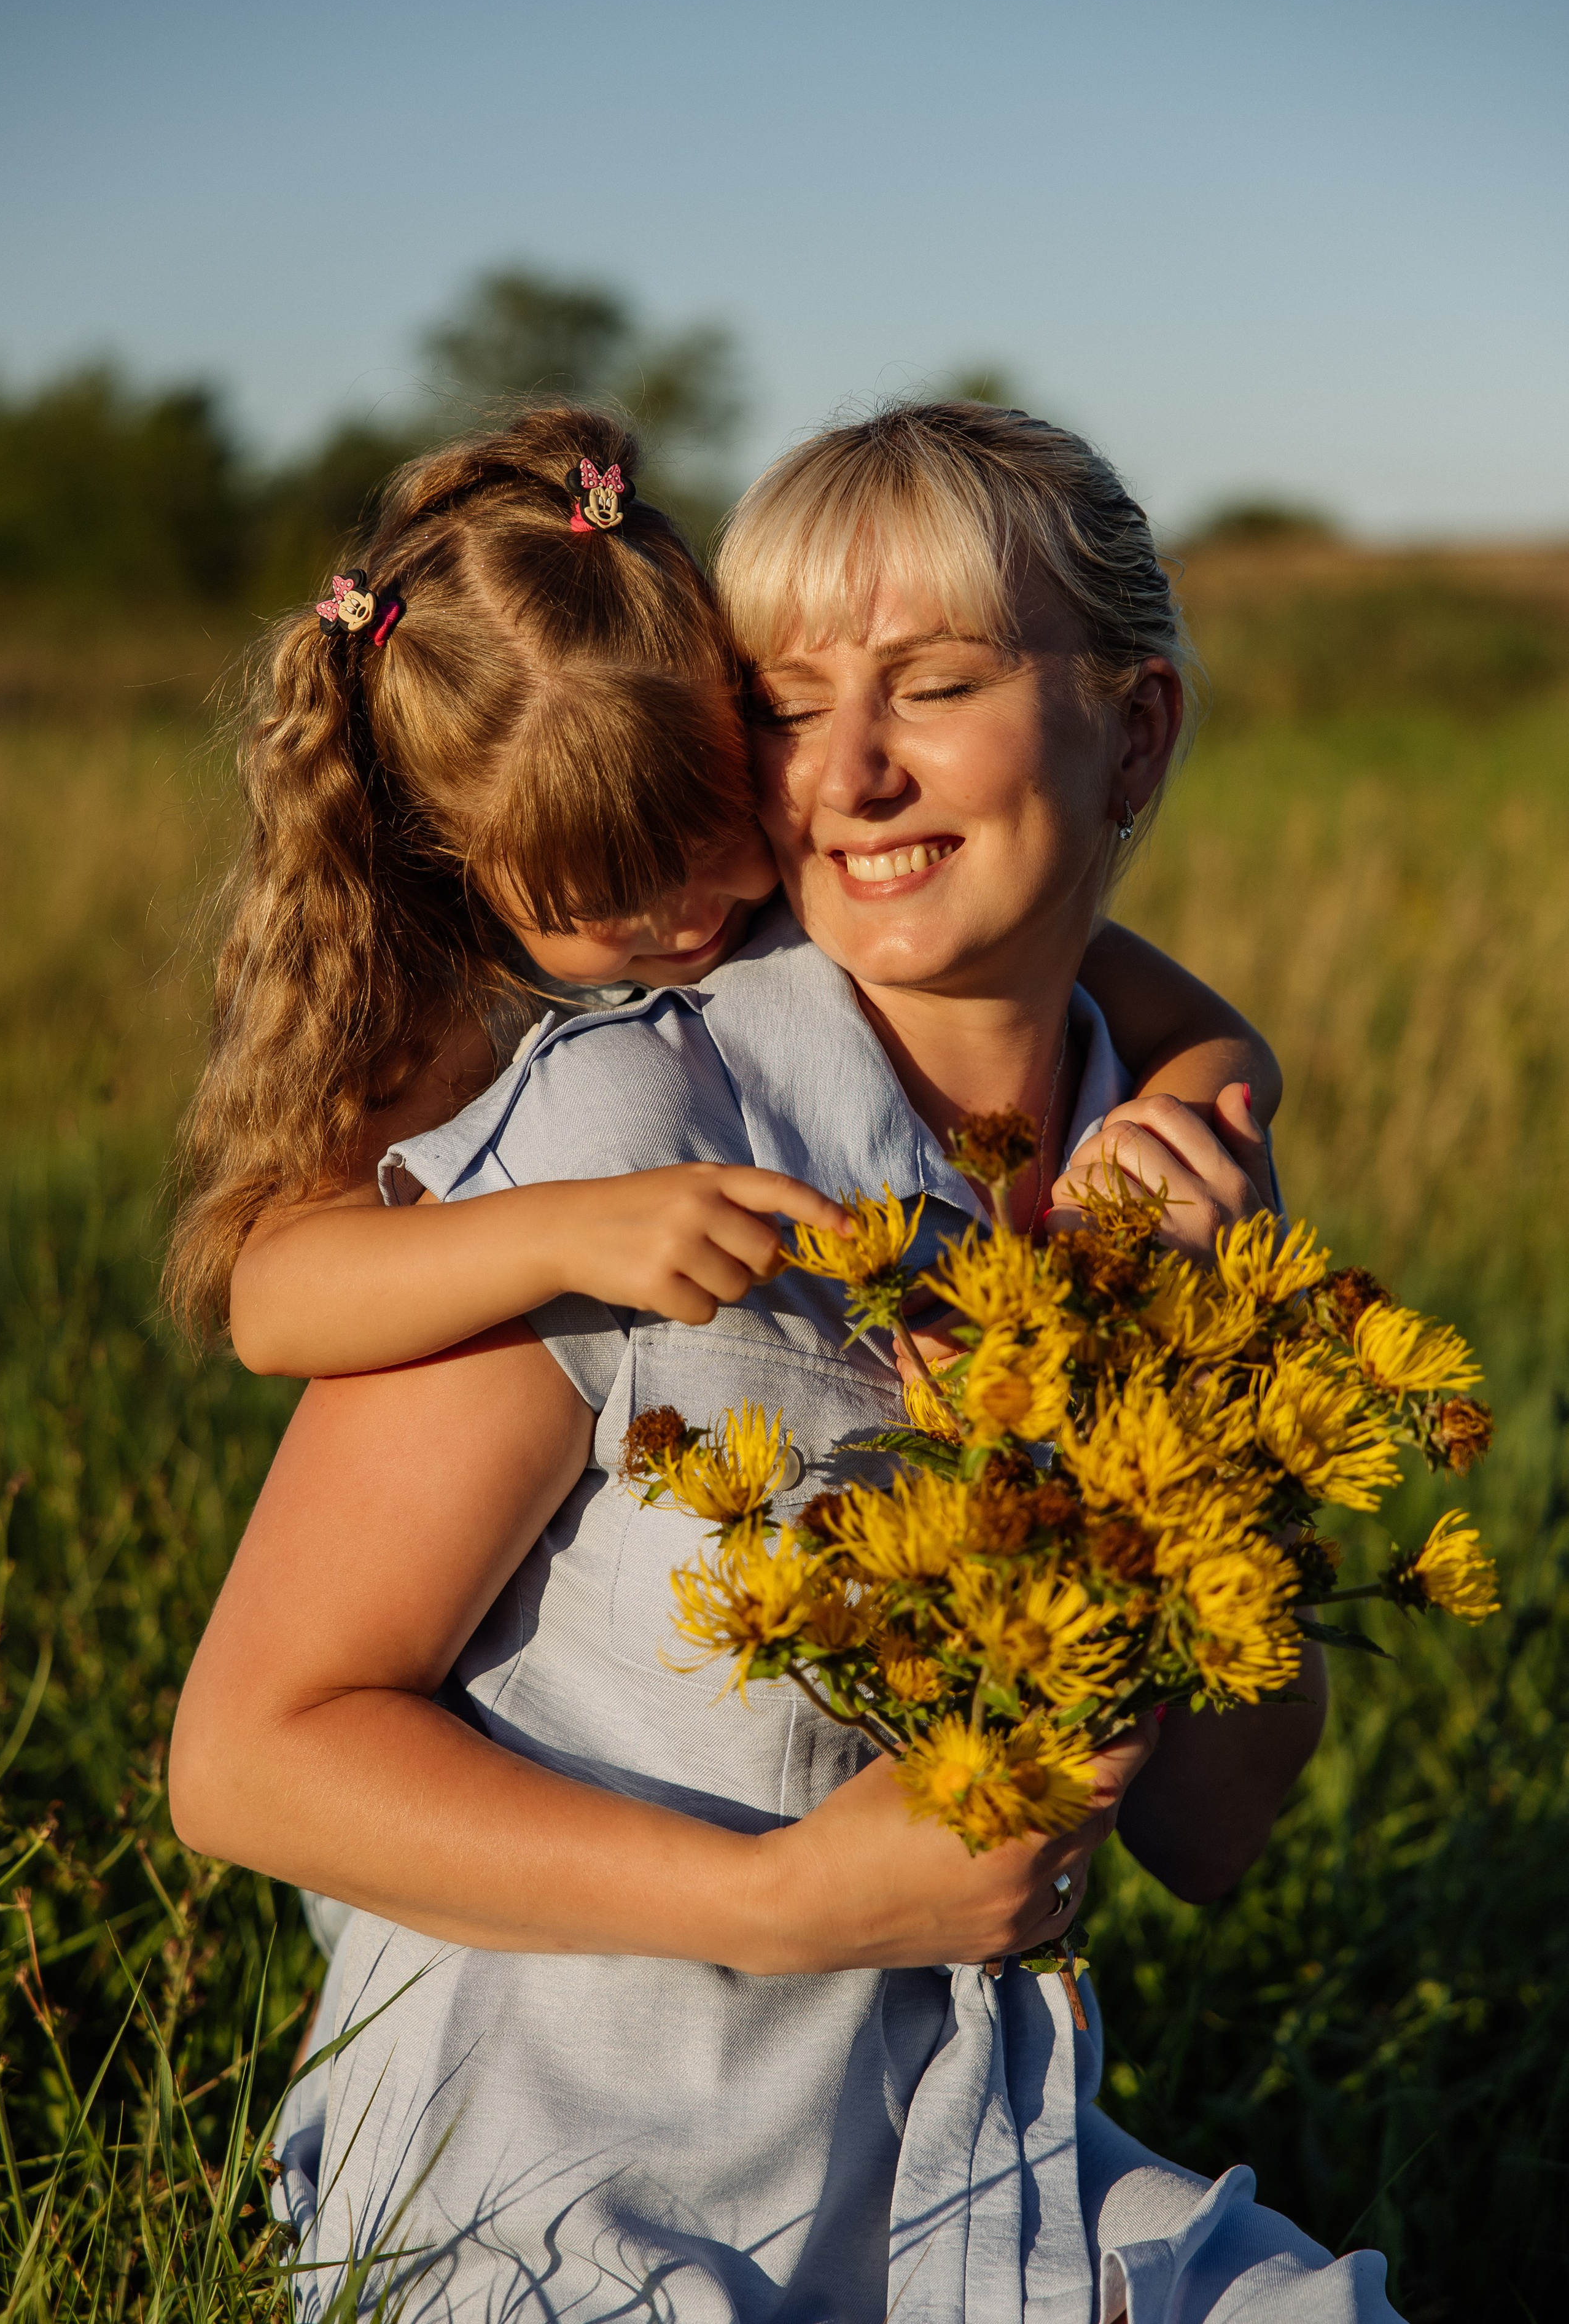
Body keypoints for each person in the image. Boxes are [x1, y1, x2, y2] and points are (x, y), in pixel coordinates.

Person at [169, 403, 1395, 2322]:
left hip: (971, 2169)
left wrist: (1191, 1400)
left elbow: (1213, 1830)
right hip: (572, 2194)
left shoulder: (1152, 1166)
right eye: (793, 701)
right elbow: (248, 1759)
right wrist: (781, 1903)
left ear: (1135, 730)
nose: (857, 771)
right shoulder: (625, 1130)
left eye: (940, 683)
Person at [165, 407, 1278, 1383]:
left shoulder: (893, 930)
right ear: (466, 875)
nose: (685, 918)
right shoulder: (469, 1008)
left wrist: (1136, 1170)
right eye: (602, 903)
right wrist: (560, 1230)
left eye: (707, 836)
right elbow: (272, 1302)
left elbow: (1217, 1039)